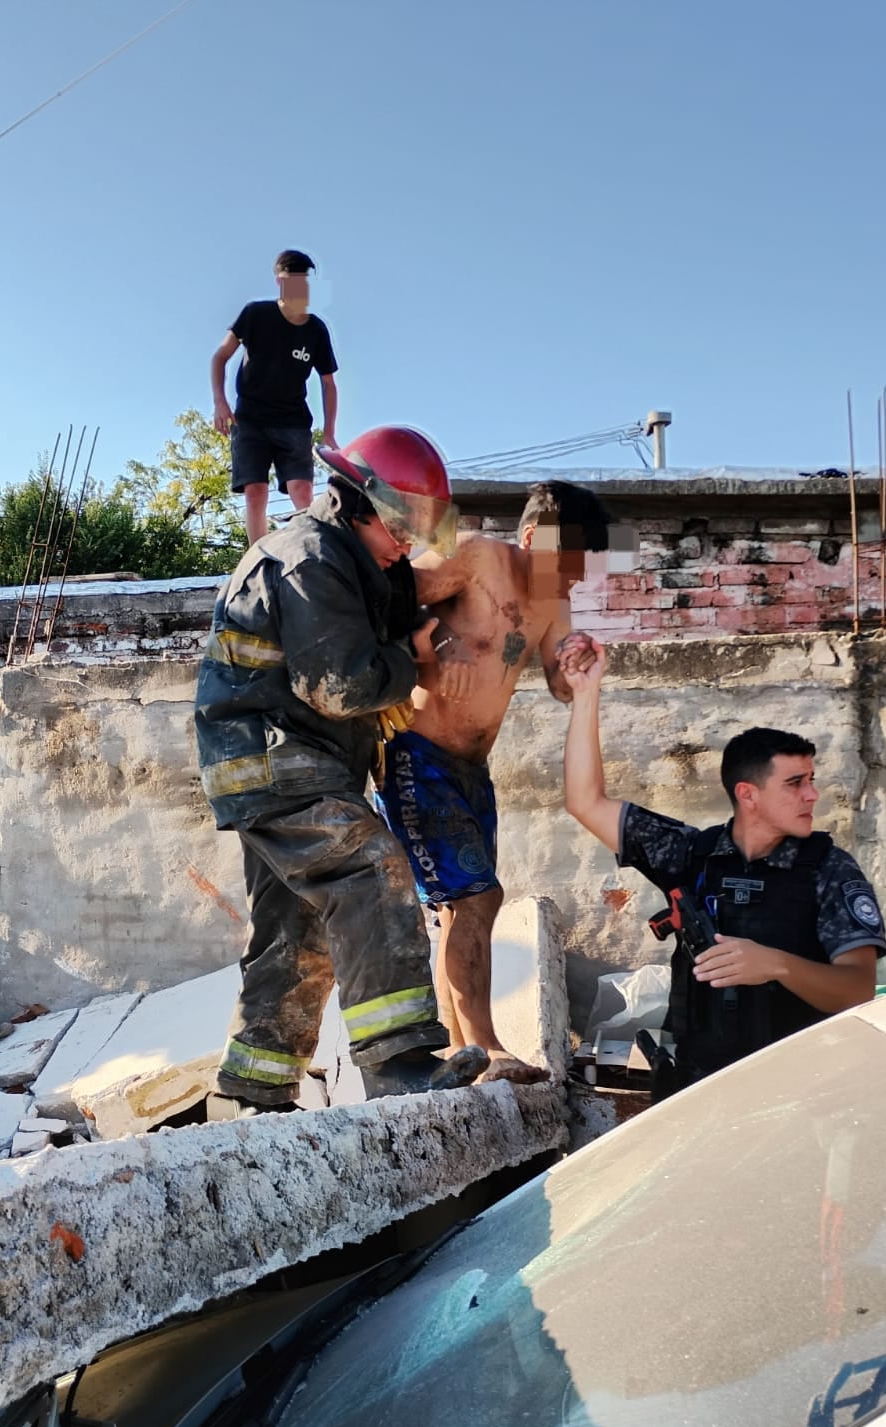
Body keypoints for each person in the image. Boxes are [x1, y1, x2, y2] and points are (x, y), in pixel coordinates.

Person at [195, 425, 490, 1116]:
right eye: (399, 525)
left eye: (418, 529)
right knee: (370, 869)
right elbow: (341, 686)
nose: (407, 542)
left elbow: (395, 611)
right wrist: (411, 661)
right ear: (358, 501)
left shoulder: (358, 560)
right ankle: (399, 1064)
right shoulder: (307, 561)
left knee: (298, 928)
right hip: (273, 760)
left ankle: (255, 1089)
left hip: (298, 760)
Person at [561, 642, 886, 1091]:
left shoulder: (829, 870)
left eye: (812, 781)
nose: (812, 795)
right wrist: (585, 691)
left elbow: (857, 990)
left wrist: (775, 965)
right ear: (748, 794)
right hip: (699, 1086)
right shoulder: (692, 854)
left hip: (802, 1088)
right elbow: (586, 802)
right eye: (795, 783)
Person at [371, 479, 612, 1080]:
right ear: (532, 537)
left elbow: (559, 682)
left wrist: (577, 661)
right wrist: (438, 644)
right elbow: (388, 596)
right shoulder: (477, 558)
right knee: (479, 896)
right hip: (413, 752)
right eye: (571, 562)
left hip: (471, 768)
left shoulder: (554, 599)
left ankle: (465, 1053)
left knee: (461, 906)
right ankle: (486, 1045)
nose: (575, 580)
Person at [210, 248, 339, 545]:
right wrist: (220, 400)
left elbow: (329, 383)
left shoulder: (316, 330)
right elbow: (220, 356)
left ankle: (313, 552)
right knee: (255, 491)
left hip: (293, 421)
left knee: (302, 490)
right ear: (280, 282)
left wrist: (329, 432)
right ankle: (258, 557)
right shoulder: (256, 314)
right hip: (251, 419)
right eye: (292, 281)